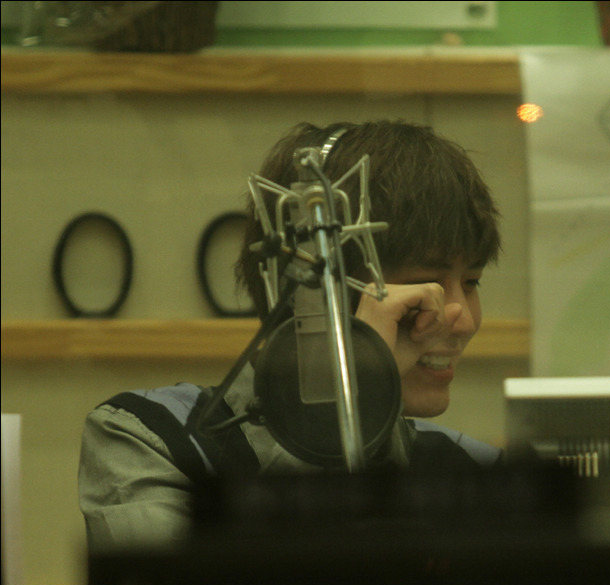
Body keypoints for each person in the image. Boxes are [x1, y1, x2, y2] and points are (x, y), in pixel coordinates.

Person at [79, 120, 502, 553]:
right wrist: (345, 408)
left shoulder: (473, 471)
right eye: (423, 285)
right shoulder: (150, 440)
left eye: (471, 283)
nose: (465, 321)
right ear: (310, 298)